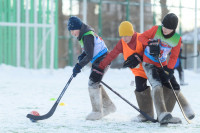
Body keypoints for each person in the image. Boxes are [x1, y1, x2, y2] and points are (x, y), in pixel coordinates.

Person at [138, 13, 195, 124]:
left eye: (168, 28)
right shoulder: (156, 30)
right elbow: (141, 37)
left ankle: (180, 109)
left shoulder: (177, 39)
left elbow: (174, 56)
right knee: (157, 84)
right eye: (163, 26)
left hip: (162, 64)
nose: (164, 29)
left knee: (174, 85)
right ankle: (162, 113)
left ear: (173, 29)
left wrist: (169, 69)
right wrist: (150, 42)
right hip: (149, 62)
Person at [98, 21, 154, 122]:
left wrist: (139, 56)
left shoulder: (141, 38)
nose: (124, 38)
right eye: (122, 36)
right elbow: (112, 54)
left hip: (150, 68)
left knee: (158, 88)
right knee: (140, 88)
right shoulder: (122, 43)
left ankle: (163, 112)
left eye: (126, 36)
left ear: (131, 33)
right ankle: (146, 114)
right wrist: (101, 66)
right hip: (139, 72)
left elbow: (150, 50)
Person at [67, 16, 116, 120]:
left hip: (103, 60)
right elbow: (88, 51)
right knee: (95, 82)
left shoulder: (87, 36)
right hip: (100, 59)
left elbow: (89, 55)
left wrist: (79, 66)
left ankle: (97, 112)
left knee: (92, 83)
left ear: (78, 28)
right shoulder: (84, 34)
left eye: (72, 30)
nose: (72, 33)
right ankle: (108, 106)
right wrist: (81, 57)